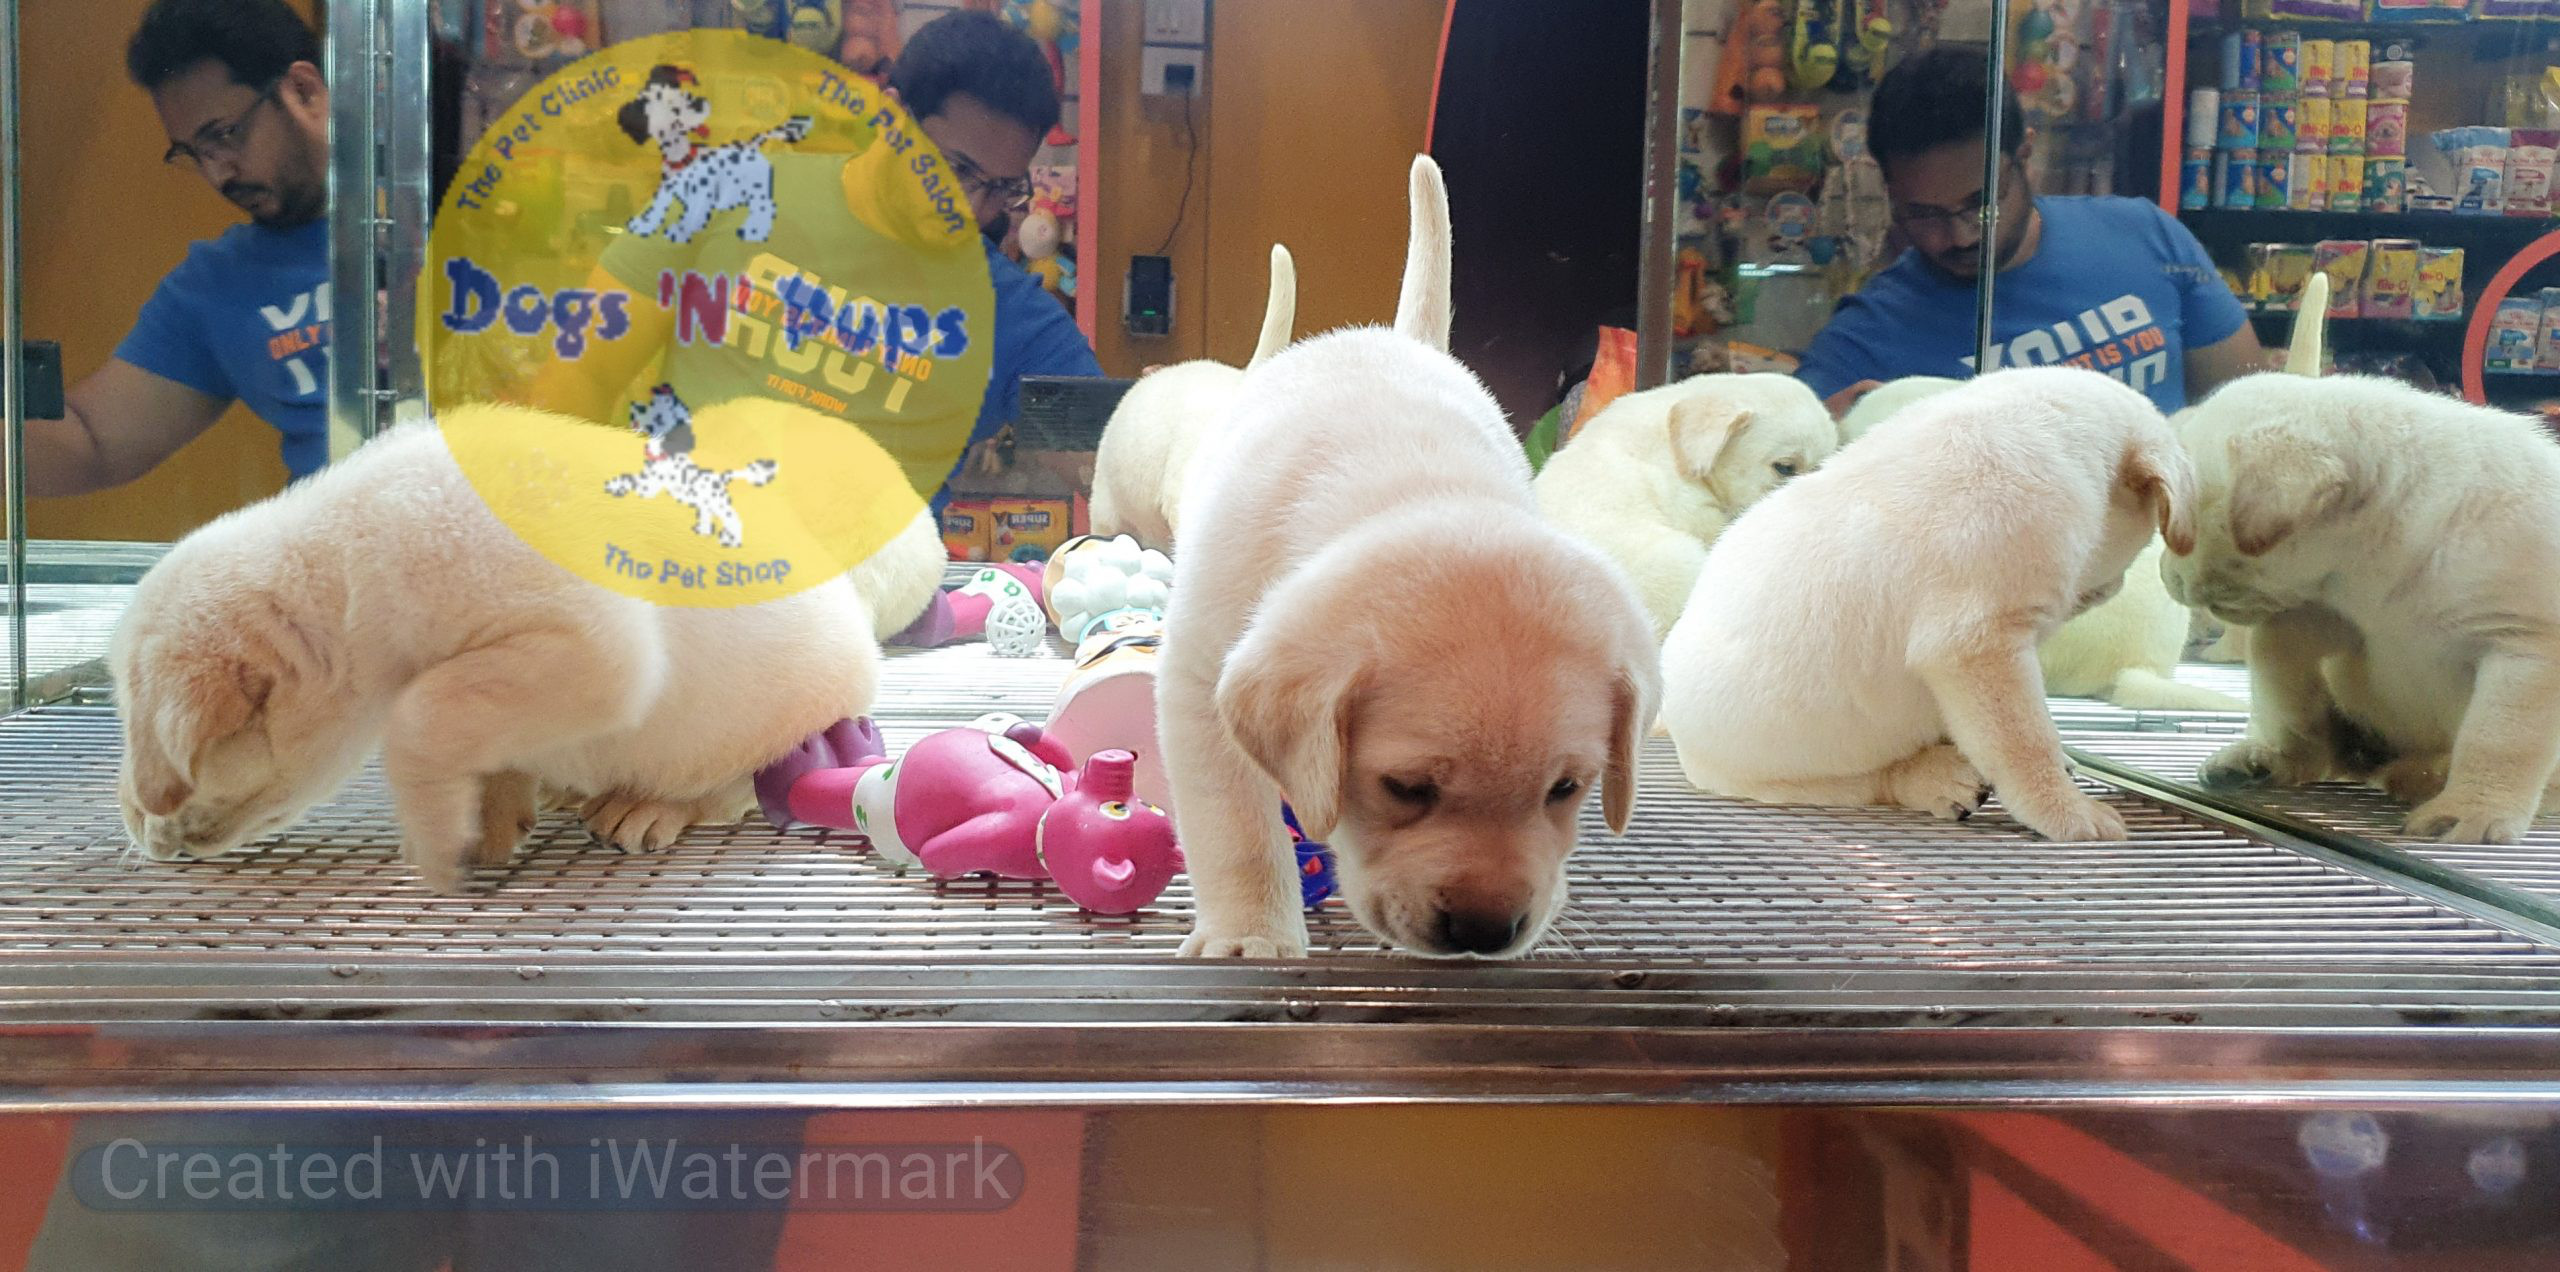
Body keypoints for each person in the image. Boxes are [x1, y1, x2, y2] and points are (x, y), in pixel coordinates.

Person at [1796, 45, 2265, 421]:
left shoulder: (2147, 237)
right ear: (1890, 190)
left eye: (1979, 204)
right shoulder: (1866, 338)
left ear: (2026, 156)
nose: (1958, 237)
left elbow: (2245, 420)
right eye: (1923, 214)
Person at [29, 0, 331, 497]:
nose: (219, 173)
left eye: (226, 135)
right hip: (338, 552)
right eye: (194, 153)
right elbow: (94, 440)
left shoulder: (462, 210)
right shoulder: (221, 283)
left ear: (303, 90)